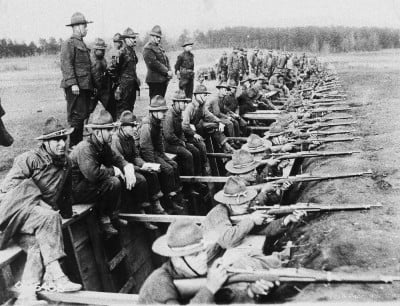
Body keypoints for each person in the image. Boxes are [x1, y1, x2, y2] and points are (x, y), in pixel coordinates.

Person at [0, 118, 81, 305]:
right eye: (56, 140)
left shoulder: (66, 163)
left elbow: (65, 194)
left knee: (36, 246)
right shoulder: (29, 159)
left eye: (64, 139)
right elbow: (8, 190)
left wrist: (68, 215)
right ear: (45, 142)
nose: (62, 144)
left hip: (37, 222)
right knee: (50, 216)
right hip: (15, 215)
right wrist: (39, 203)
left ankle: (26, 296)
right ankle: (57, 274)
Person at [138, 219, 280, 304]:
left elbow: (226, 299)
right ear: (176, 259)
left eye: (203, 252)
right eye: (194, 255)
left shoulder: (192, 274)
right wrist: (210, 288)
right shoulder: (157, 284)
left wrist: (251, 292)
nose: (203, 258)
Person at [70, 109, 136, 236]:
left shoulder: (103, 145)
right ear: (98, 132)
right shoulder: (85, 148)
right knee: (113, 182)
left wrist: (127, 167)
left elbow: (116, 158)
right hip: (76, 190)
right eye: (109, 130)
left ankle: (113, 216)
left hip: (87, 185)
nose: (112, 132)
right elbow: (93, 175)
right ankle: (105, 220)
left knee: (116, 180)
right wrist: (113, 171)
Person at [112, 111, 166, 229]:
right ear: (123, 127)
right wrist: (139, 168)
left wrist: (145, 165)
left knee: (151, 173)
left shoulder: (130, 138)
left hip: (131, 167)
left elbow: (136, 156)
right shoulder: (116, 140)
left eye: (134, 125)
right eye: (131, 126)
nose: (134, 128)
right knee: (141, 180)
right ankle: (142, 213)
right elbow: (119, 161)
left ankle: (156, 204)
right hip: (122, 171)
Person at [139, 95, 184, 211]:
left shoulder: (157, 123)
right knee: (167, 169)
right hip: (145, 155)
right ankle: (167, 202)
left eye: (164, 111)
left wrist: (164, 157)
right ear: (153, 112)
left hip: (155, 152)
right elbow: (145, 148)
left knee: (174, 165)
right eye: (161, 111)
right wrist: (154, 164)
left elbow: (159, 144)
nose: (164, 114)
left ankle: (176, 195)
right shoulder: (146, 125)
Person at [60, 12, 94, 147]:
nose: (86, 29)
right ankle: (74, 151)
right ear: (77, 27)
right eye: (85, 26)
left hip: (84, 87)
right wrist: (73, 83)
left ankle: (78, 149)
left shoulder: (82, 44)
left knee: (82, 117)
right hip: (76, 88)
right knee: (76, 118)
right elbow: (66, 64)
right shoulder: (68, 43)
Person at [182, 84, 234, 156]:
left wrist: (219, 122)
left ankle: (226, 147)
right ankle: (205, 163)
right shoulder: (190, 107)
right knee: (202, 145)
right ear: (197, 95)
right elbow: (184, 125)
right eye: (204, 95)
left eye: (206, 95)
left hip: (198, 128)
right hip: (189, 133)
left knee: (216, 126)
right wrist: (194, 134)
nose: (206, 97)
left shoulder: (201, 106)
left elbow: (209, 115)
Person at [163, 91, 202, 178]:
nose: (185, 104)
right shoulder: (169, 115)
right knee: (188, 155)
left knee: (195, 150)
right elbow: (169, 136)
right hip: (168, 145)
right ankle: (188, 186)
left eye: (185, 102)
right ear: (176, 102)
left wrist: (183, 141)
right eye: (183, 102)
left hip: (176, 142)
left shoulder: (178, 113)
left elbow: (180, 131)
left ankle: (198, 177)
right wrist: (181, 142)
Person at [112, 27, 140, 118]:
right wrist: (118, 85)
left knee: (130, 107)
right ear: (126, 39)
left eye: (134, 38)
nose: (134, 40)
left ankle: (128, 126)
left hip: (131, 85)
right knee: (122, 109)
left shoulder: (132, 51)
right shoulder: (121, 52)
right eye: (132, 38)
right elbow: (113, 70)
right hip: (123, 86)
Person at [143, 25, 172, 99]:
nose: (159, 39)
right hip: (154, 80)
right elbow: (153, 63)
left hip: (163, 79)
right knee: (155, 103)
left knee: (161, 102)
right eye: (157, 37)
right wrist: (166, 71)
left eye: (159, 37)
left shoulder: (159, 47)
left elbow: (166, 60)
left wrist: (170, 71)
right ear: (151, 36)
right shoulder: (148, 48)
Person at [91, 38, 111, 114]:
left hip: (104, 89)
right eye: (100, 49)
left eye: (103, 49)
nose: (102, 51)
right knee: (88, 110)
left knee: (109, 108)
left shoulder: (103, 59)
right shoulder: (91, 60)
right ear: (95, 50)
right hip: (94, 89)